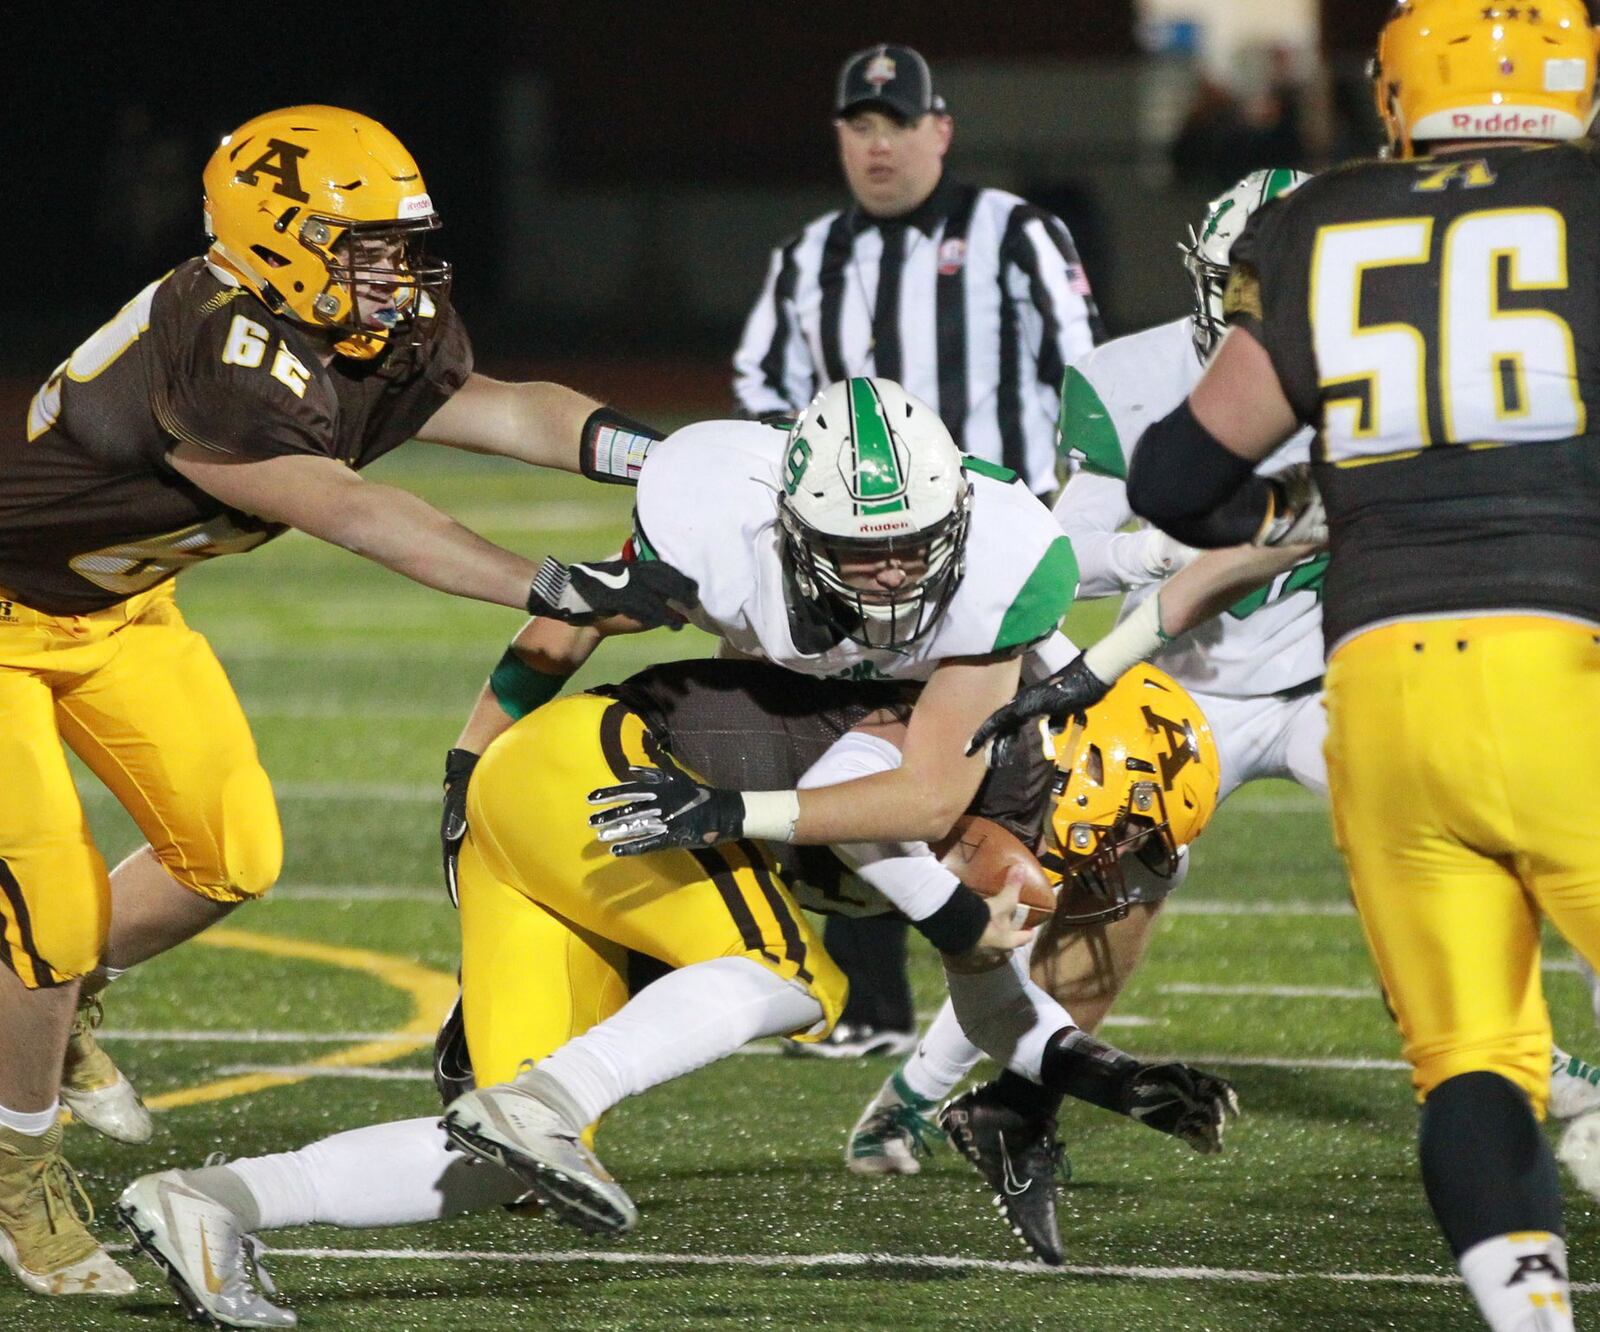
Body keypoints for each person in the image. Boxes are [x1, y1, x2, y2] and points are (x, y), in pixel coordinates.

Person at [0, 103, 691, 1301]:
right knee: (50, 915)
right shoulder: (210, 344)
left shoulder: (367, 323)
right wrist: (556, 581)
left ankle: (50, 1022)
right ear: (276, 238)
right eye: (362, 244)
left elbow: (509, 408)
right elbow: (359, 512)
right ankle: (20, 1182)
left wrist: (672, 459)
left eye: (401, 243)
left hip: (120, 610)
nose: (398, 272)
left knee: (229, 858)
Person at [117, 653, 1238, 1326]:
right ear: (1095, 766)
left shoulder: (997, 826)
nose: (1100, 874)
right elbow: (856, 784)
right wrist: (953, 912)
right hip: (607, 772)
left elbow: (990, 998)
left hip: (559, 822)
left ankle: (212, 1202)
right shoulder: (992, 750)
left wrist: (1104, 1076)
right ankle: (544, 1102)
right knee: (786, 974)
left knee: (486, 1167)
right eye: (1120, 837)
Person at [1122, 3, 1600, 1327]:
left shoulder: (1323, 219)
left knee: (1471, 1065)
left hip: (1384, 688)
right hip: (1568, 674)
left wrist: (1294, 519)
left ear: (1396, 92)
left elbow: (1176, 475)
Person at [733, 44, 1102, 1052]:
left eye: (898, 124)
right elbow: (761, 394)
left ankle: (1009, 1002)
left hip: (981, 561)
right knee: (840, 746)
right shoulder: (807, 255)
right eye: (860, 126)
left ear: (940, 130)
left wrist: (1060, 514)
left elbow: (1081, 372)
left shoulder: (1012, 231)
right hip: (852, 569)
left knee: (1014, 772)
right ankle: (876, 1007)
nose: (878, 145)